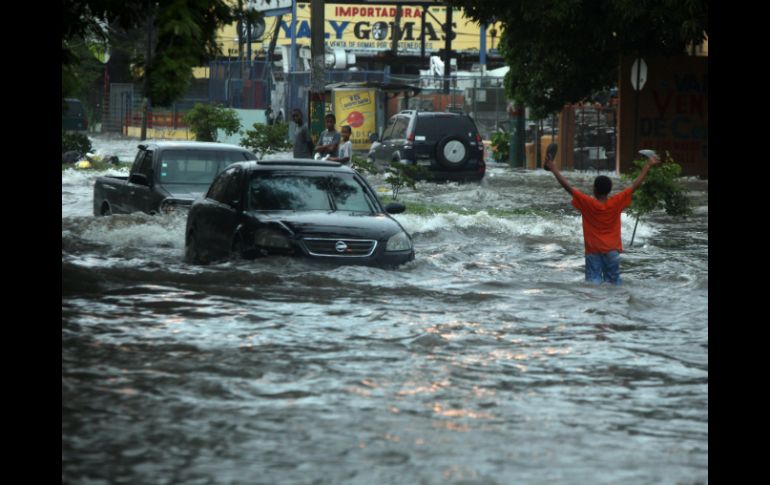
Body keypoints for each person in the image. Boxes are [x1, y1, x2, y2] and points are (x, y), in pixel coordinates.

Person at [543, 151, 661, 284]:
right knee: (614, 284)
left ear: (594, 189)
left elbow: (568, 187)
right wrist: (648, 165)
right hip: (612, 251)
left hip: (593, 251)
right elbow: (634, 186)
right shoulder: (616, 202)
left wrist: (553, 168)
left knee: (593, 284)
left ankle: (596, 305)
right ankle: (614, 304)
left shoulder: (587, 203)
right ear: (609, 190)